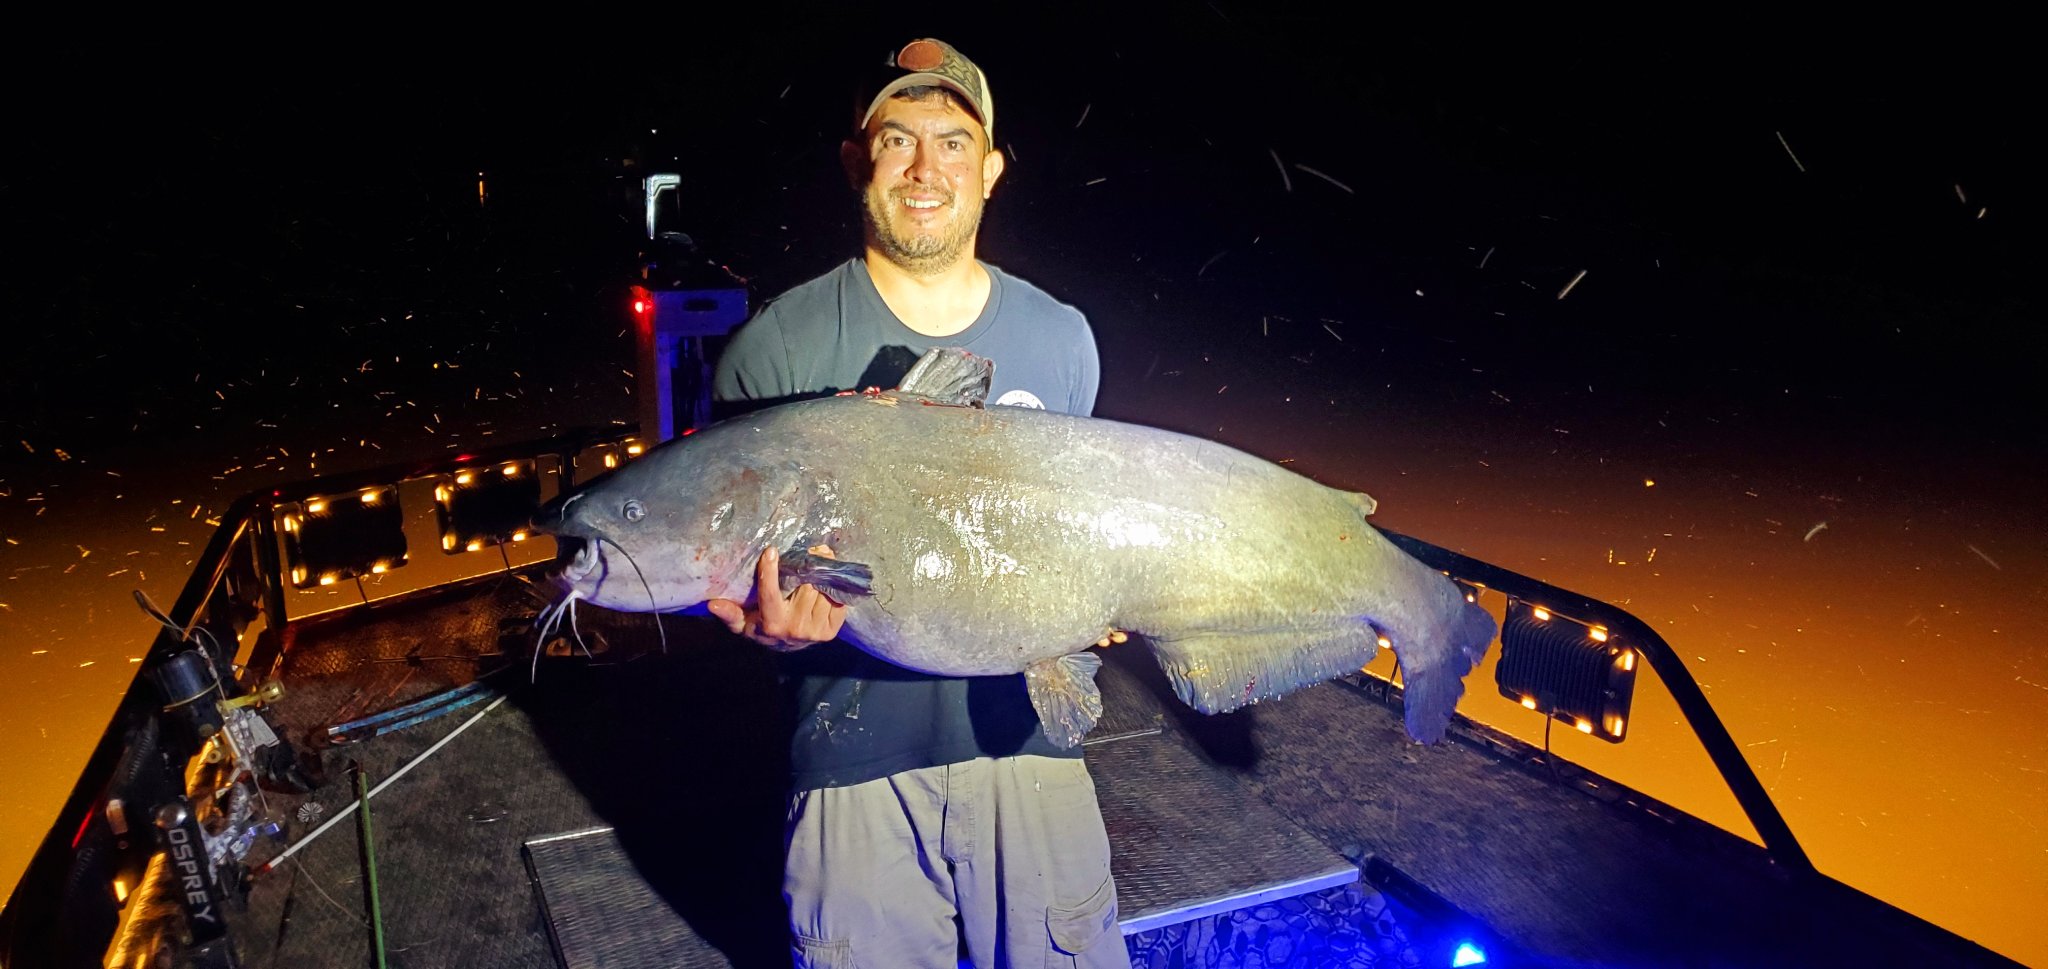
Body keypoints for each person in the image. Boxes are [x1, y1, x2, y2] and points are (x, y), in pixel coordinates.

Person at [705, 37, 1132, 969]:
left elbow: (1082, 530)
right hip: (850, 772)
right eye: (898, 140)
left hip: (1031, 755)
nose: (926, 167)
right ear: (859, 163)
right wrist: (759, 629)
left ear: (991, 169)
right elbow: (725, 565)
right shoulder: (772, 350)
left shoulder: (1063, 340)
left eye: (951, 141)